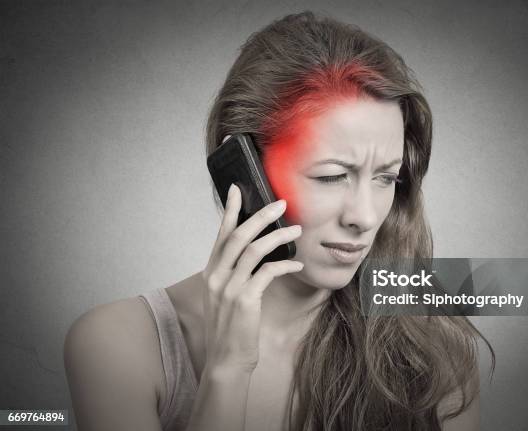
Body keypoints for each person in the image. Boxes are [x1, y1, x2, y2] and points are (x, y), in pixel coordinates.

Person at [64, 11, 493, 431]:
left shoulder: (432, 346)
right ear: (242, 171)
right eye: (331, 176)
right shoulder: (117, 345)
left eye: (386, 178)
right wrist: (229, 369)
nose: (364, 217)